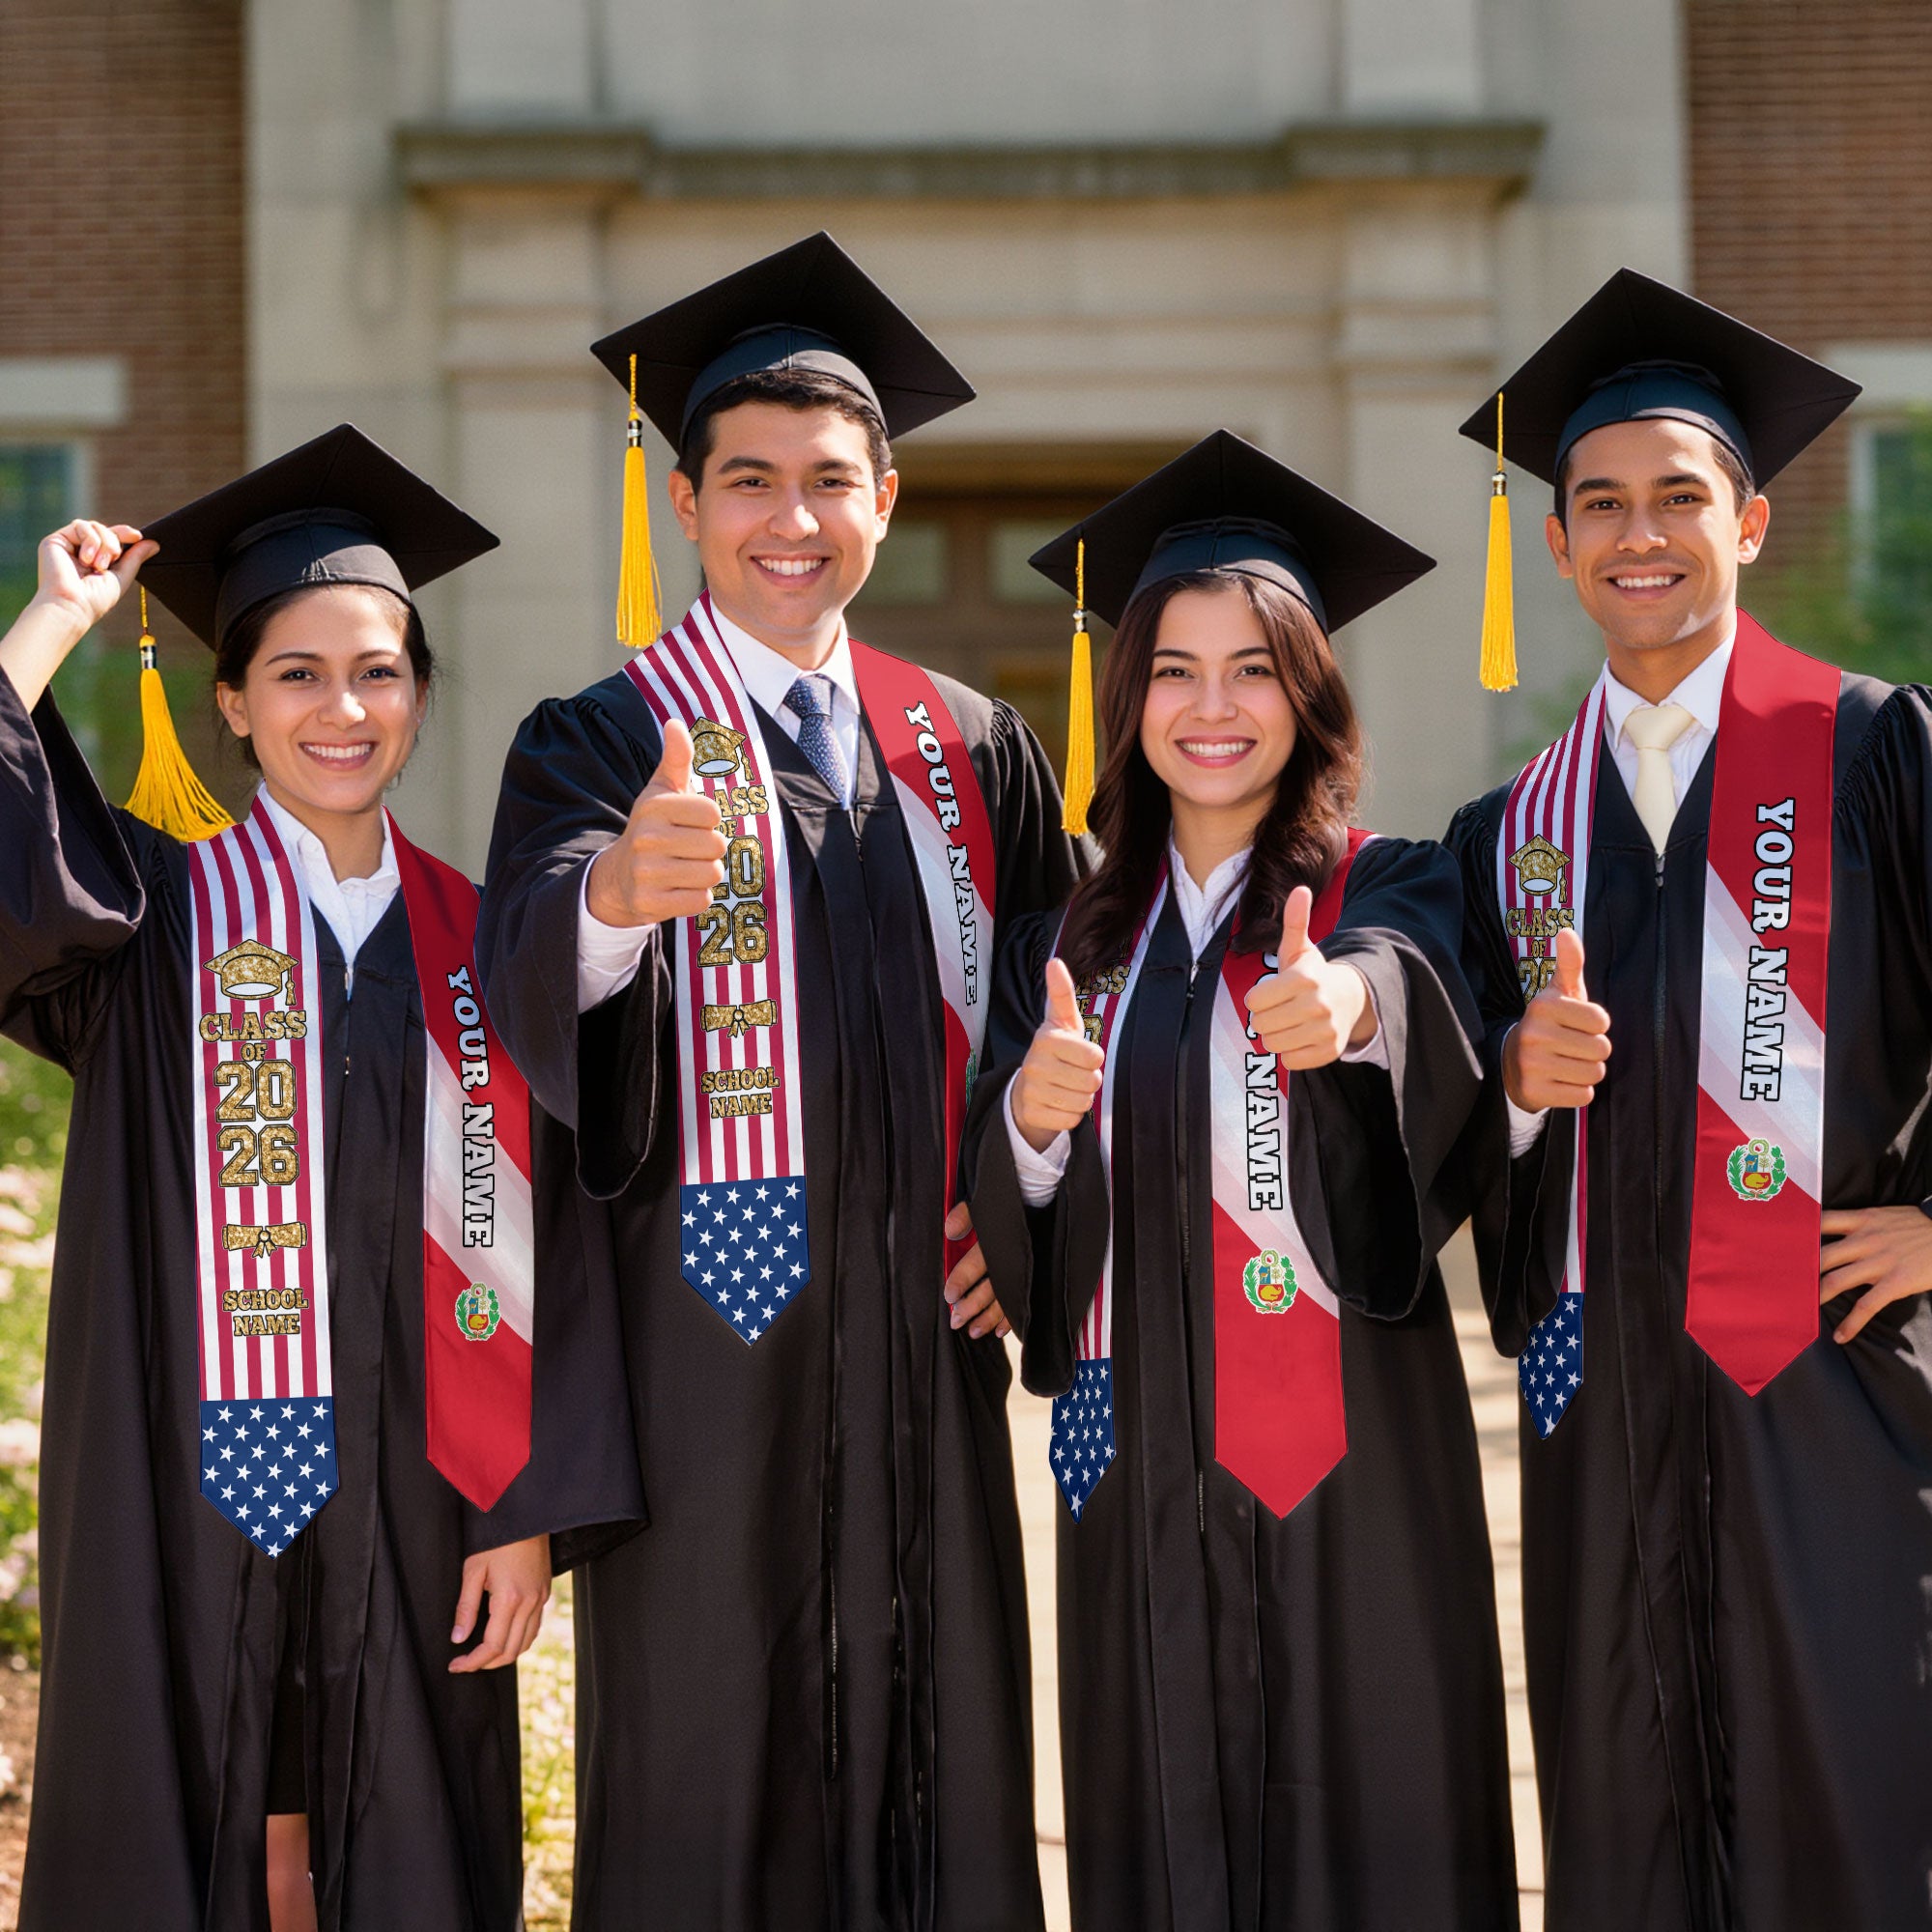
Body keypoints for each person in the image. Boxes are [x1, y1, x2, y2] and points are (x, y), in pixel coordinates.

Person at [477, 233, 1083, 1931]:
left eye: (831, 481)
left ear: (886, 498)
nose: (790, 519)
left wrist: (1024, 1193)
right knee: (710, 1771)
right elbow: (523, 971)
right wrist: (610, 899)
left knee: (943, 1756)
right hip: (706, 1363)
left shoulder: (968, 743)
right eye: (749, 481)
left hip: (923, 1349)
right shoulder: (599, 739)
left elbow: (1075, 991)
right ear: (686, 504)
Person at [0, 425, 641, 1932]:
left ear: (419, 694)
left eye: (378, 671)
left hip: (430, 1494)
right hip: (184, 1479)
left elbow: (570, 1235)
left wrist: (526, 1506)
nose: (340, 709)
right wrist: (50, 625)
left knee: (408, 1830)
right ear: (230, 702)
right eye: (295, 673)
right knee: (191, 1800)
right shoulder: (147, 920)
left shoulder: (492, 944)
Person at [964, 431, 1519, 1931]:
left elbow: (1414, 987)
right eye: (1175, 671)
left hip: (1351, 1466)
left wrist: (1348, 1011)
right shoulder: (1070, 944)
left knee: (1376, 1821)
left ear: (1311, 693)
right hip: (1133, 1460)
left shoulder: (1387, 884)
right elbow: (1013, 1192)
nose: (1214, 709)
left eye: (1256, 669)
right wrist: (1028, 1114)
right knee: (1162, 1826)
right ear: (1127, 696)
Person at [1445, 270, 1932, 1931]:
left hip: (1835, 1391)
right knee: (1625, 1815)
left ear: (1752, 521)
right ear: (1561, 543)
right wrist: (1510, 1086)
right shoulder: (1510, 832)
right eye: (1599, 504)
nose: (1637, 534)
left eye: (1678, 497)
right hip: (1603, 1412)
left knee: (1854, 1802)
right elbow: (1441, 1129)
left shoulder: (1876, 752)